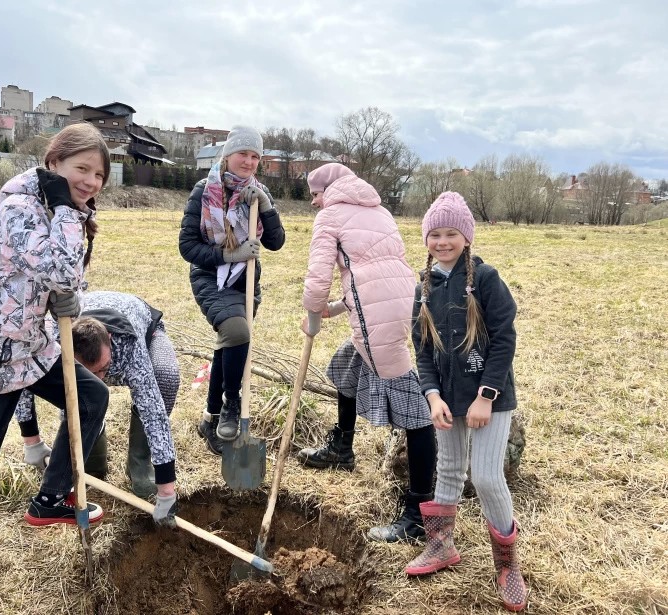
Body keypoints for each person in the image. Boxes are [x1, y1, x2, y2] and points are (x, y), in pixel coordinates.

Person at [0, 124, 116, 615]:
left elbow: (62, 275)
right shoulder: (20, 208)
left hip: (30, 348)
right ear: (54, 163)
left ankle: (50, 500)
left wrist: (66, 283)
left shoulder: (59, 207)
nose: (92, 181)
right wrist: (71, 221)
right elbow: (61, 269)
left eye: (99, 174)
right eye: (82, 169)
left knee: (92, 396)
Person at [296, 163, 436, 544]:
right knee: (345, 366)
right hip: (403, 300)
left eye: (315, 193)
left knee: (413, 407)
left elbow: (318, 276)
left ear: (330, 190)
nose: (313, 202)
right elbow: (375, 270)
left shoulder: (330, 216)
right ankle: (342, 447)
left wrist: (313, 316)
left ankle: (421, 512)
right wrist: (337, 309)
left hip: (376, 313)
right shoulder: (378, 210)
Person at [404, 192, 527, 611]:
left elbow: (505, 338)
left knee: (488, 476)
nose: (442, 241)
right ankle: (441, 547)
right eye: (435, 234)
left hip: (489, 397)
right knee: (450, 468)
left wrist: (486, 396)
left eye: (451, 233)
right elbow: (422, 350)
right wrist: (433, 395)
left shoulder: (486, 279)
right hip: (448, 398)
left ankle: (508, 564)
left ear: (466, 236)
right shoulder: (422, 288)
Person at [179, 125, 286, 454]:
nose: (250, 161)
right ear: (228, 155)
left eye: (256, 156)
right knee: (237, 332)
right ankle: (231, 406)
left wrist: (266, 206)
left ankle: (210, 420)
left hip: (245, 279)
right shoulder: (204, 190)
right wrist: (229, 254)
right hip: (210, 277)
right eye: (244, 154)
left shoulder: (257, 192)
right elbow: (187, 247)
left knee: (228, 348)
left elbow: (276, 242)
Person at [15, 290, 180, 503]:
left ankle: (139, 461)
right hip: (82, 317)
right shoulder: (52, 340)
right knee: (91, 463)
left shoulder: (129, 344)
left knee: (166, 376)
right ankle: (92, 447)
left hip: (143, 323)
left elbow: (154, 413)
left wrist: (167, 492)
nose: (99, 380)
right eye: (89, 374)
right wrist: (32, 441)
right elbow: (23, 377)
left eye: (103, 369)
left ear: (110, 341)